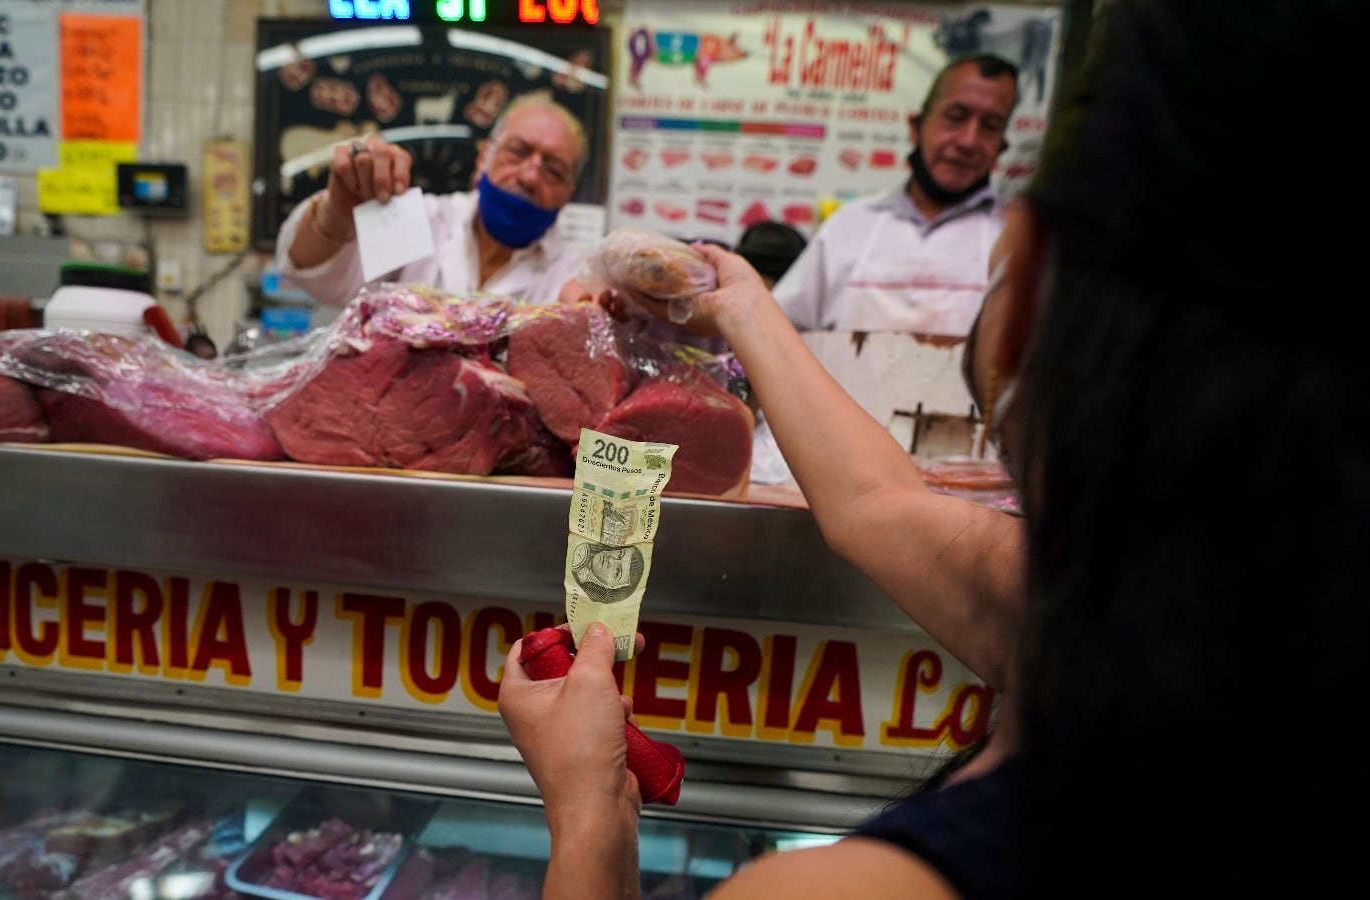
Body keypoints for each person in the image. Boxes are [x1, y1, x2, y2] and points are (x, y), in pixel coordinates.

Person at [498, 1, 1365, 897]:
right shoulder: (1170, 625)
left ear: (1018, 300)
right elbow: (880, 505)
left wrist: (591, 809)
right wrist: (740, 304)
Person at [773, 53, 1018, 336]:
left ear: (1002, 146)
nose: (968, 141)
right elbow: (778, 334)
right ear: (917, 126)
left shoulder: (1016, 242)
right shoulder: (848, 227)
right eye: (956, 117)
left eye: (990, 126)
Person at [274, 94, 589, 308]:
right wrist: (336, 214)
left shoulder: (575, 276)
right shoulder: (419, 220)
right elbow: (317, 278)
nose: (530, 176)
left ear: (568, 196)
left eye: (553, 170)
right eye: (517, 152)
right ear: (483, 159)